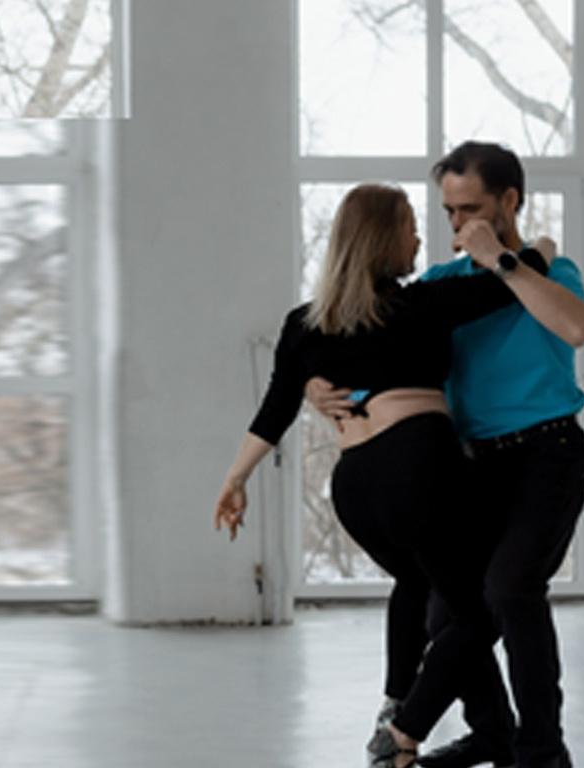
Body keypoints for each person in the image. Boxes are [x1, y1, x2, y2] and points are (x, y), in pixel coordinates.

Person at [214, 183, 551, 768]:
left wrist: (235, 480)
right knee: (482, 611)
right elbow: (516, 279)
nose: (418, 239)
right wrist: (540, 246)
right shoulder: (420, 304)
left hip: (355, 487)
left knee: (421, 587)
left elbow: (274, 411)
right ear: (382, 239)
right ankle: (403, 728)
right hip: (417, 466)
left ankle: (446, 716)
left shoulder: (304, 323)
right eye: (410, 228)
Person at [308, 142, 584, 768]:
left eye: (471, 209)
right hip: (472, 464)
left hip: (547, 455)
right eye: (448, 212)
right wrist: (317, 387)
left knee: (512, 590)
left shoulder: (550, 270)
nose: (458, 224)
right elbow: (379, 354)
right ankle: (493, 734)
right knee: (448, 610)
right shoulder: (439, 285)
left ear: (509, 202)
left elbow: (576, 328)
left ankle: (542, 753)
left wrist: (505, 263)